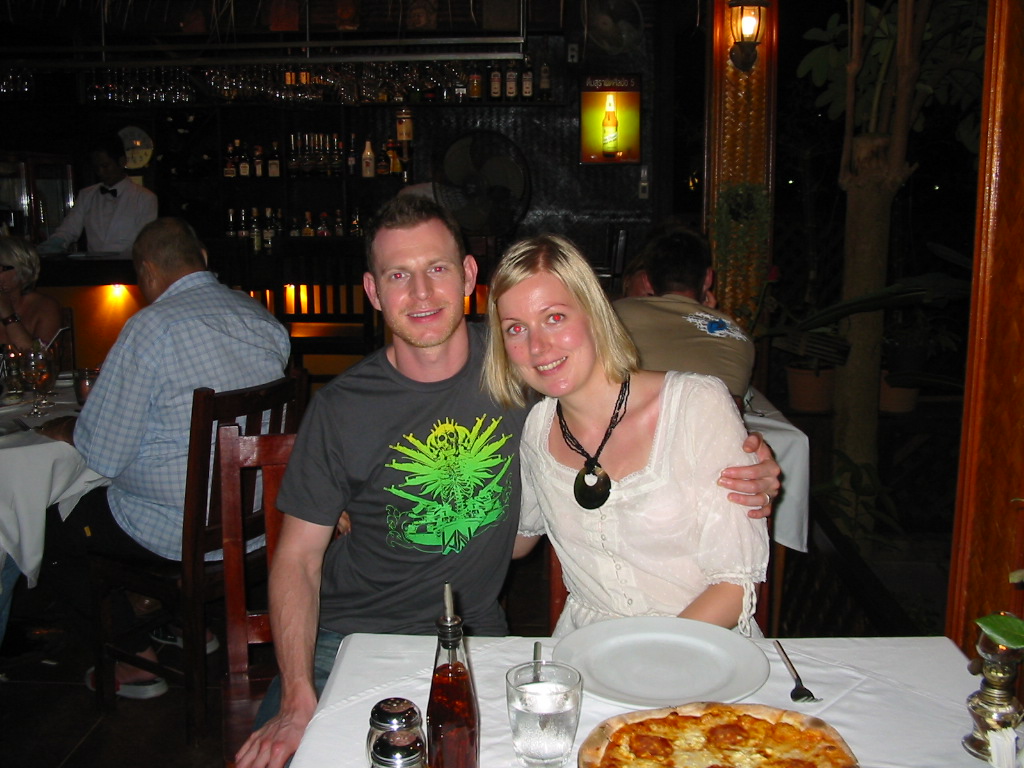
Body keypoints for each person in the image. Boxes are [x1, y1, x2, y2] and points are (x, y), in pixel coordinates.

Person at [235, 195, 780, 768]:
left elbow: (629, 397)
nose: (421, 293)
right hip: (349, 638)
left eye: (437, 268)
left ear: (467, 275)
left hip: (474, 640)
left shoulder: (526, 375)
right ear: (373, 291)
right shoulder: (348, 407)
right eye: (398, 275)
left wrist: (746, 465)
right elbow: (297, 558)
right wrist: (297, 696)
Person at [39, 217, 291, 699]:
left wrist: (67, 428)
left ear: (148, 271)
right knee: (146, 489)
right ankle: (188, 624)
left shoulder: (151, 328)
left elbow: (104, 454)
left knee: (54, 527)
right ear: (204, 260)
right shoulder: (260, 317)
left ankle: (133, 660)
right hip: (255, 519)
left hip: (182, 530)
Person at [483, 234, 770, 638]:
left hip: (700, 645)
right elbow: (518, 539)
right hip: (587, 649)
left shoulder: (696, 404)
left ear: (594, 313)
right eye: (516, 328)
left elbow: (735, 586)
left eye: (555, 317)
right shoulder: (538, 428)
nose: (538, 346)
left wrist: (647, 656)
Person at [613, 226, 754, 405]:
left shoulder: (613, 316)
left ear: (647, 282)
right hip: (710, 420)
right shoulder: (737, 338)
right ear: (708, 278)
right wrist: (706, 316)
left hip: (628, 419)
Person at [37, 134, 157, 258]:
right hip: (95, 265)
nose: (100, 172)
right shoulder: (86, 195)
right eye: (96, 167)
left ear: (122, 162)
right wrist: (55, 242)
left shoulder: (145, 198)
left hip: (128, 265)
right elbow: (69, 229)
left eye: (105, 166)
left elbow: (145, 241)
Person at [0, 236, 62, 351]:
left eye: (1, 268)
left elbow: (38, 357)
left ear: (22, 269)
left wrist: (8, 315)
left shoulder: (44, 306)